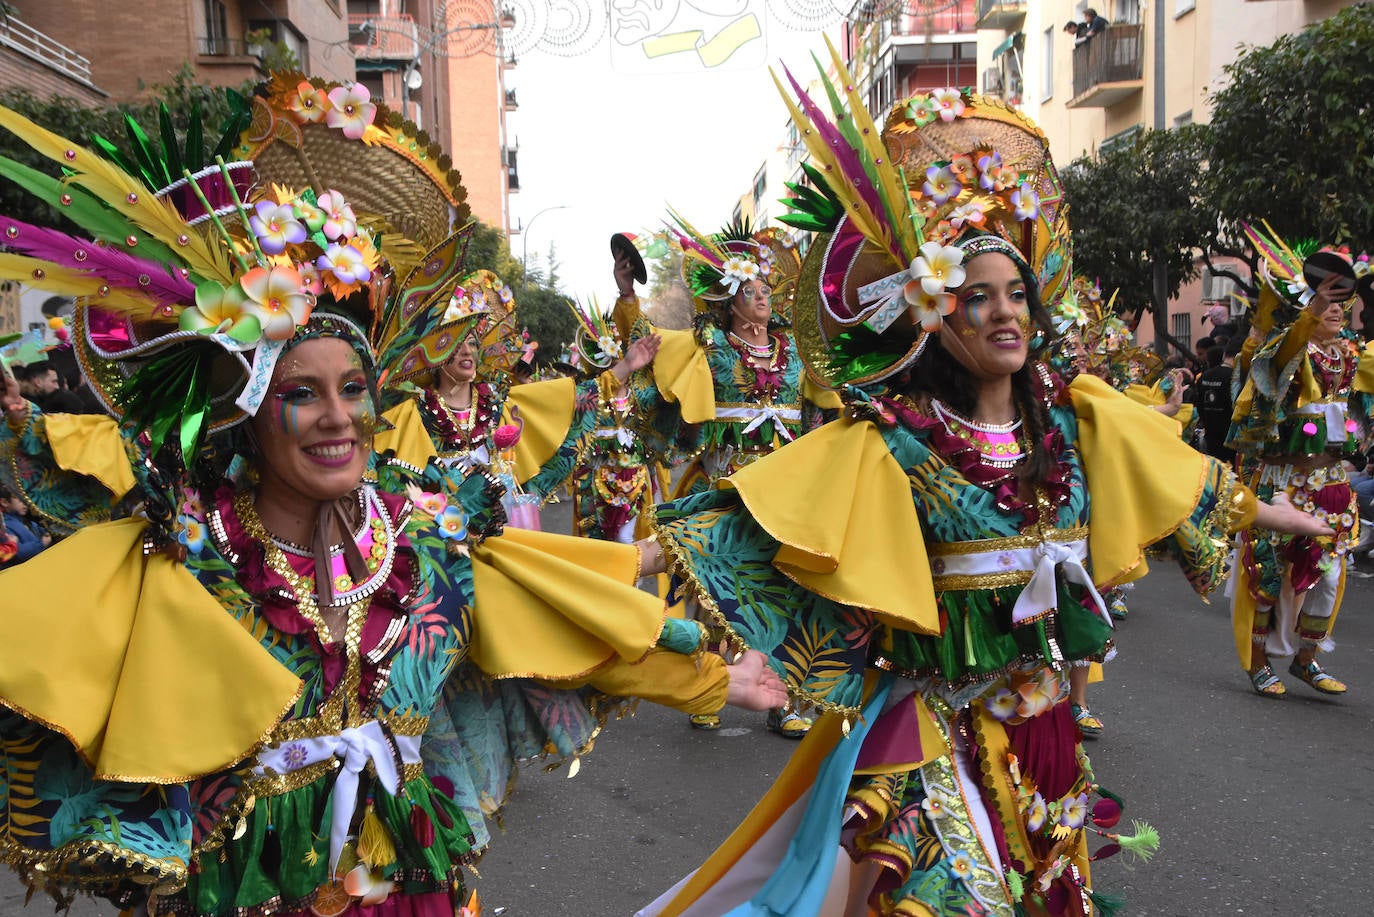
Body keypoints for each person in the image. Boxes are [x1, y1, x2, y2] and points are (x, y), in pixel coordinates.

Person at [0, 78, 785, 916]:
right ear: (247, 407)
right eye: (302, 392)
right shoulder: (192, 556)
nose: (338, 417)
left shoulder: (422, 538)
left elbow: (560, 614)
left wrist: (708, 677)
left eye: (354, 386)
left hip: (408, 886)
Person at [639, 71, 1328, 916]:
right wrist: (606, 561)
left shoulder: (1078, 424)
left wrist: (1299, 516)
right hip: (935, 733)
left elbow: (1194, 484)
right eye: (977, 299)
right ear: (939, 316)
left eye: (1017, 295)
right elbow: (756, 523)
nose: (1006, 314)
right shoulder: (891, 438)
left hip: (1045, 740)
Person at [617, 216, 843, 737]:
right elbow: (649, 352)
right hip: (726, 488)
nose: (762, 297)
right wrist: (628, 295)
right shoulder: (710, 349)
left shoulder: (797, 356)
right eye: (750, 290)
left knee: (789, 590)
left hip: (786, 494)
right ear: (729, 302)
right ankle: (711, 681)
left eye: (766, 289)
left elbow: (819, 419)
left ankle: (787, 698)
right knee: (714, 588)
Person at [1226, 230, 1373, 699]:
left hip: (1331, 482)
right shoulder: (1281, 349)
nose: (1335, 309)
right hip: (1281, 483)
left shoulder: (1350, 355)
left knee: (1327, 576)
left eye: (1342, 303)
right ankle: (1258, 664)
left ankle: (1306, 661)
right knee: (1269, 577)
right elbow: (1272, 364)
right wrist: (1303, 321)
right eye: (1324, 300)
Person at [1194, 340, 1240, 463]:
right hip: (1230, 437)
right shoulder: (1234, 377)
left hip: (1210, 435)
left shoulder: (1205, 376)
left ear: (1225, 354)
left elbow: (1199, 405)